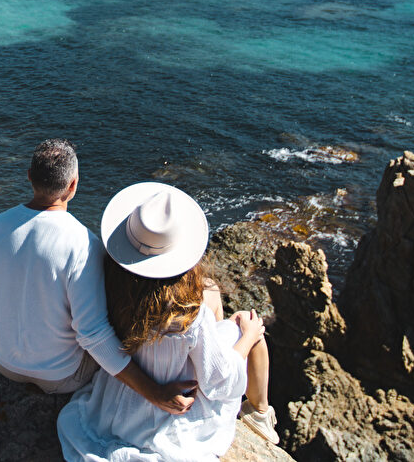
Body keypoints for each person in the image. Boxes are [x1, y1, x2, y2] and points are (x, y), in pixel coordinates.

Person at [56, 183, 278, 462]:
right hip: (170, 408)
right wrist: (247, 337)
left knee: (213, 300)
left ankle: (252, 400)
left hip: (120, 398)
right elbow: (217, 382)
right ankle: (259, 413)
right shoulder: (188, 315)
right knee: (246, 321)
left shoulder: (107, 282)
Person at [0, 140, 197, 415]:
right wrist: (154, 393)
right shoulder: (83, 243)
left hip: (5, 364)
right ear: (73, 185)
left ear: (29, 177)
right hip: (60, 377)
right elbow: (93, 334)